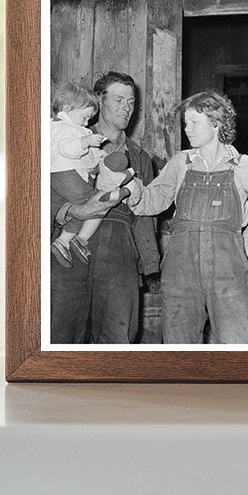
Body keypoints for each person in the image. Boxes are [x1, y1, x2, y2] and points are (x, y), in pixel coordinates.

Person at [127, 90, 248, 344]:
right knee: (180, 349)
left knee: (240, 347)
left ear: (216, 123)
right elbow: (153, 199)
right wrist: (132, 190)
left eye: (194, 122)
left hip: (229, 273)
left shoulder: (245, 166)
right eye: (185, 123)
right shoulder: (181, 163)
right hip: (182, 272)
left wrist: (247, 250)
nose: (187, 129)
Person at [49, 72, 159, 344]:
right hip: (69, 248)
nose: (126, 108)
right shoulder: (70, 138)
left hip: (119, 256)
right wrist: (72, 211)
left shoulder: (141, 158)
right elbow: (43, 185)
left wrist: (146, 262)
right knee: (60, 337)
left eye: (131, 102)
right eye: (119, 99)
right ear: (100, 101)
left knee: (117, 341)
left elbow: (145, 216)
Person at [48, 81, 134, 268]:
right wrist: (86, 141)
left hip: (70, 174)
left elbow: (85, 158)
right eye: (85, 117)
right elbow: (69, 148)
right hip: (64, 174)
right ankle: (78, 240)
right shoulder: (62, 128)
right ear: (67, 108)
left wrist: (98, 157)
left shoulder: (72, 128)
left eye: (131, 101)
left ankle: (65, 241)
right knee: (95, 202)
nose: (88, 122)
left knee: (89, 205)